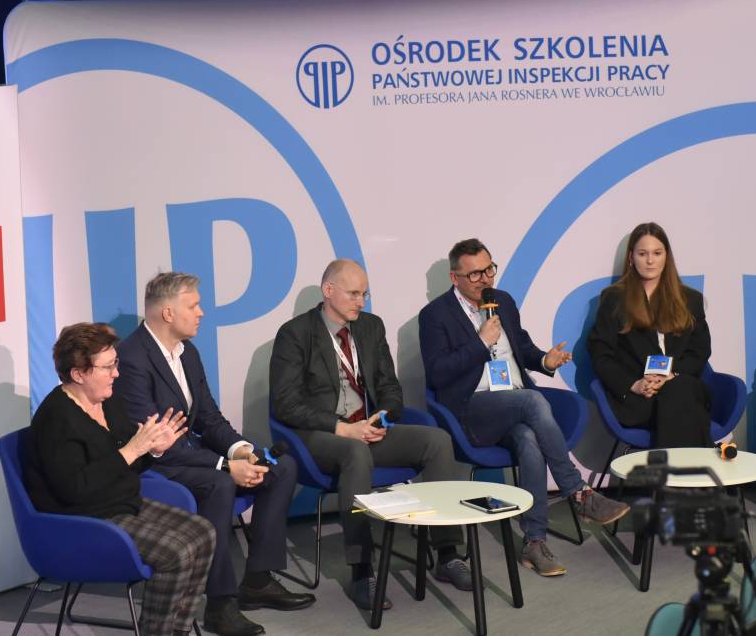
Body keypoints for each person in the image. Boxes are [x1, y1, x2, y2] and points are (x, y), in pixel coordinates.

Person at [115, 273, 314, 636]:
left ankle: (258, 580)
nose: (201, 313)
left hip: (192, 456)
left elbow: (208, 417)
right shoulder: (131, 359)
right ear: (168, 313)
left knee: (281, 466)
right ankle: (220, 605)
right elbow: (156, 442)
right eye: (193, 306)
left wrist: (242, 451)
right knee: (219, 484)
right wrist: (225, 465)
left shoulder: (187, 352)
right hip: (154, 466)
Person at [419, 238, 629, 578]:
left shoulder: (502, 301)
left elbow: (522, 348)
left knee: (529, 440)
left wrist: (545, 360)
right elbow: (438, 373)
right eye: (475, 275)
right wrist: (480, 342)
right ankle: (579, 493)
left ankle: (534, 542)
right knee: (532, 400)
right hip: (472, 411)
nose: (486, 279)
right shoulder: (435, 315)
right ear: (454, 278)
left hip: (514, 403)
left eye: (489, 269)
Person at [269, 259, 471, 610]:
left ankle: (447, 553)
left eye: (364, 294)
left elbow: (390, 387)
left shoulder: (371, 327)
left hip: (366, 428)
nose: (361, 302)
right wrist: (343, 428)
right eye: (353, 294)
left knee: (437, 441)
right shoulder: (295, 334)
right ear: (328, 290)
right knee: (355, 452)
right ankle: (362, 570)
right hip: (320, 436)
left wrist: (382, 418)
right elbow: (285, 404)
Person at [25, 322, 215, 636]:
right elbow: (75, 490)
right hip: (80, 519)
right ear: (78, 374)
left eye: (116, 364)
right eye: (108, 367)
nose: (116, 373)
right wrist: (130, 451)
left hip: (119, 502)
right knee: (176, 552)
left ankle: (176, 630)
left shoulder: (108, 401)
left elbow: (129, 462)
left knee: (204, 533)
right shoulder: (56, 419)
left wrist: (153, 449)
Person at [587, 222, 713, 448]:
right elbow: (601, 355)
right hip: (640, 397)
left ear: (667, 257)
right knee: (685, 402)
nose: (650, 261)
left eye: (657, 253)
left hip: (681, 386)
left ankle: (671, 470)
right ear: (631, 258)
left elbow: (700, 351)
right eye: (642, 254)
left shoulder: (690, 300)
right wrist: (634, 384)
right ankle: (694, 468)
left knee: (680, 389)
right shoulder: (614, 299)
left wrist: (671, 375)